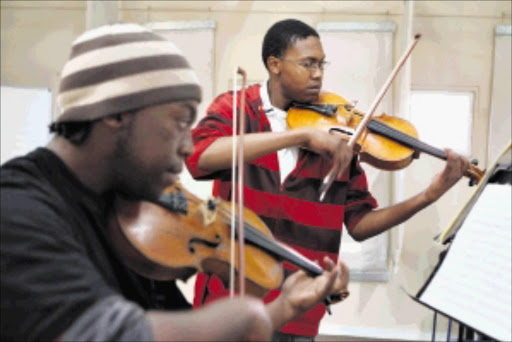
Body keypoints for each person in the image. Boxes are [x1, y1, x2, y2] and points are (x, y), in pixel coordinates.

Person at [0, 23, 348, 342]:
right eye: (178, 122)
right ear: (115, 113)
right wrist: (230, 319)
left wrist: (283, 308)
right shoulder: (18, 211)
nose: (187, 145)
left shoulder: (130, 214)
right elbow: (107, 333)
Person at [185, 18, 470, 341]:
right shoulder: (238, 108)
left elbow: (360, 224)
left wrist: (427, 197)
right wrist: (298, 136)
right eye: (308, 64)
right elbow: (198, 157)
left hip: (299, 311)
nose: (318, 73)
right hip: (229, 303)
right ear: (274, 65)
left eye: (322, 64)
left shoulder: (339, 140)